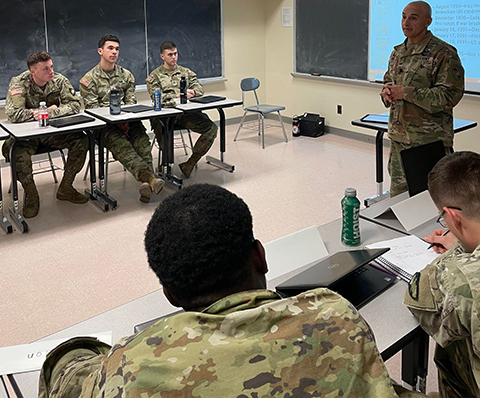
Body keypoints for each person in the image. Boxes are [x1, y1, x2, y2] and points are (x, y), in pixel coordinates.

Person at [39, 183, 416, 398]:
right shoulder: (334, 313)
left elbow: (68, 376)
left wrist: (81, 351)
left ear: (169, 294)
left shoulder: (133, 366)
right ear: (260, 257)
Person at [404, 151, 480, 398]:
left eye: (444, 219)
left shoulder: (464, 280)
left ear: (454, 217)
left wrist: (460, 246)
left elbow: (418, 295)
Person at [380, 1, 464, 196]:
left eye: (413, 17)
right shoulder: (398, 52)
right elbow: (388, 80)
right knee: (399, 199)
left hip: (428, 142)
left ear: (428, 21)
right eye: (403, 16)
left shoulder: (443, 53)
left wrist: (406, 93)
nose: (406, 22)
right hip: (399, 138)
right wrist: (387, 93)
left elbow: (449, 95)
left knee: (431, 201)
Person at [2, 51, 89, 218]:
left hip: (51, 134)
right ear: (33, 71)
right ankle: (32, 196)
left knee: (82, 140)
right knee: (18, 154)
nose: (51, 71)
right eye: (45, 69)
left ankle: (66, 187)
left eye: (51, 66)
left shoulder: (59, 80)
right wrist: (41, 112)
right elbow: (14, 115)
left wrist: (51, 114)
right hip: (26, 137)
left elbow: (75, 105)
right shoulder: (19, 83)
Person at [79, 35, 164, 203]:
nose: (114, 52)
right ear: (100, 51)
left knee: (143, 143)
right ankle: (151, 179)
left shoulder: (126, 75)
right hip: (105, 128)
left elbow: (131, 102)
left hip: (128, 122)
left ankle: (146, 184)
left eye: (117, 49)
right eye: (110, 48)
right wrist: (116, 120)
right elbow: (93, 111)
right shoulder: (88, 80)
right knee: (124, 148)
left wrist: (125, 119)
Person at [146, 40, 217, 178]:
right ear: (162, 57)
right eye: (170, 54)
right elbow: (157, 98)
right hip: (164, 116)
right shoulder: (154, 76)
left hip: (185, 115)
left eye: (175, 54)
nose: (174, 57)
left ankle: (190, 163)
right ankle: (165, 164)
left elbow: (200, 88)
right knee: (163, 128)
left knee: (211, 127)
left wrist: (193, 93)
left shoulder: (186, 72)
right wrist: (177, 96)